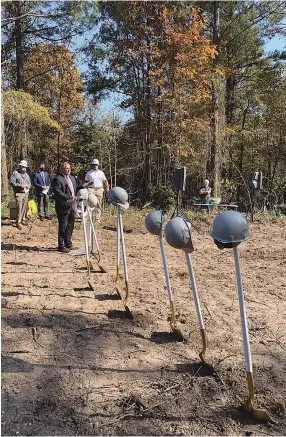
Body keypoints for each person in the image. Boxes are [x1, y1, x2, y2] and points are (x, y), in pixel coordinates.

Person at [52, 162, 78, 253]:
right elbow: (57, 192)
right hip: (62, 205)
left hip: (72, 205)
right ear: (62, 169)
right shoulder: (58, 179)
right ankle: (61, 245)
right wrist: (68, 197)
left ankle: (68, 243)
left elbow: (76, 188)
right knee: (63, 225)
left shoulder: (72, 178)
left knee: (70, 225)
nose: (68, 170)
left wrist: (86, 186)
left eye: (69, 168)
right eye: (66, 168)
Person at [84, 158, 109, 223]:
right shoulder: (89, 173)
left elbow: (105, 181)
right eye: (94, 164)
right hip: (91, 189)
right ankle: (89, 217)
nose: (95, 166)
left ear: (98, 165)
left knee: (98, 204)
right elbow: (86, 182)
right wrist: (86, 187)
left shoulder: (101, 173)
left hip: (99, 189)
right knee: (90, 203)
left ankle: (97, 218)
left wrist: (107, 188)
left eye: (96, 165)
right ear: (92, 165)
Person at [10, 160, 32, 230]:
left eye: (25, 167)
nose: (24, 168)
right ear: (20, 166)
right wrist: (20, 185)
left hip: (26, 193)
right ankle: (18, 222)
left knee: (24, 207)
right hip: (19, 193)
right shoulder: (15, 173)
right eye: (23, 167)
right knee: (19, 208)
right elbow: (12, 182)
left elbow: (29, 182)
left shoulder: (26, 174)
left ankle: (23, 219)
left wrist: (29, 186)